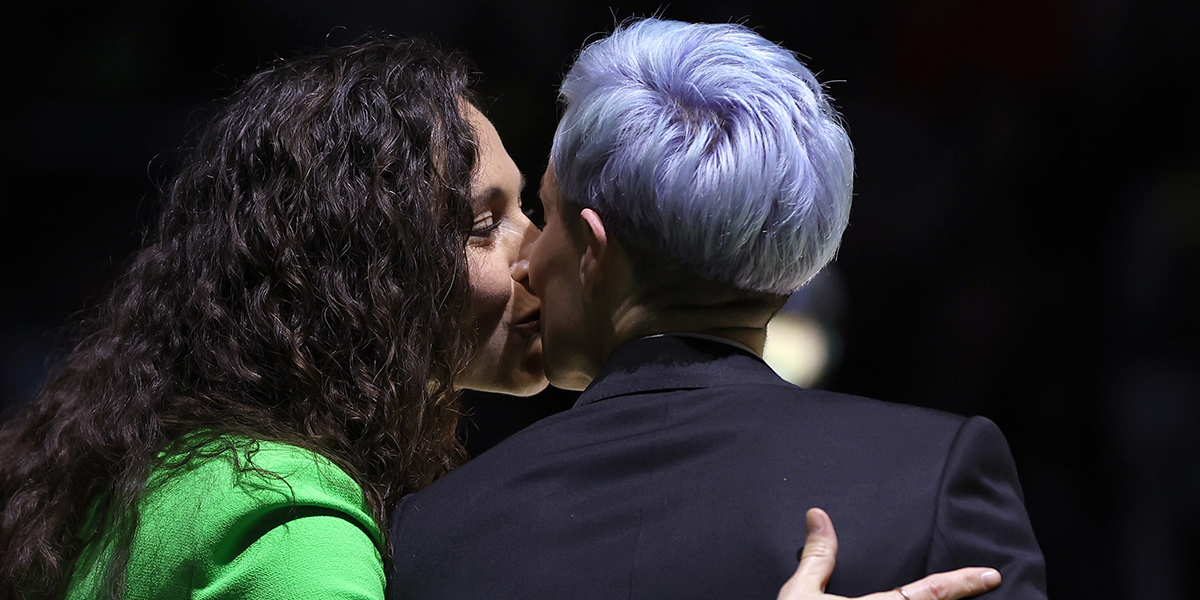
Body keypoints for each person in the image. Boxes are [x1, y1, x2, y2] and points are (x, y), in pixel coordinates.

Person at [0, 34, 995, 600]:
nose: (535, 253)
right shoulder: (296, 531)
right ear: (364, 270)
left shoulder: (189, 471)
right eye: (487, 223)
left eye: (534, 210)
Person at [388, 19, 1047, 600]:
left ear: (593, 249)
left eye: (549, 215)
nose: (529, 261)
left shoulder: (434, 533)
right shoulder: (927, 480)